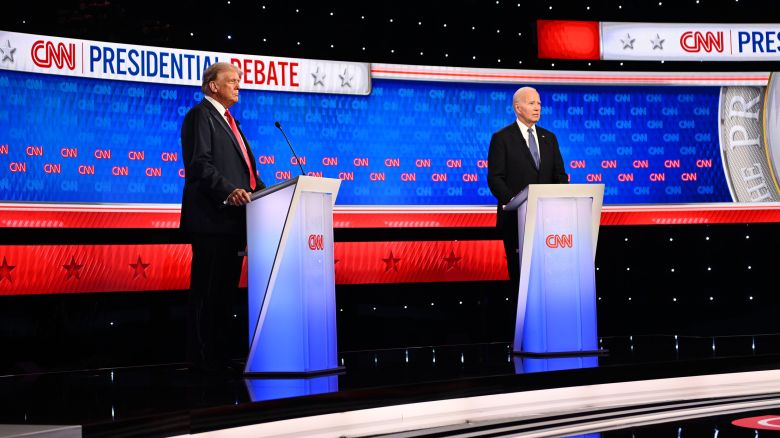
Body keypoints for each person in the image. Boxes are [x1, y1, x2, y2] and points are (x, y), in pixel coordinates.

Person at [180, 62, 266, 373]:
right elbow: (199, 165)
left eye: (238, 80)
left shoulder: (232, 123)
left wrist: (269, 194)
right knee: (207, 292)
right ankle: (202, 360)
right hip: (211, 220)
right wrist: (230, 191)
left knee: (224, 294)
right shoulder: (200, 116)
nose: (238, 85)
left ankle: (218, 356)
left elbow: (249, 174)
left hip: (234, 223)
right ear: (213, 86)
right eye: (231, 80)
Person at [487, 86, 568, 288]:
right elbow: (495, 178)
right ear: (518, 107)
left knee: (547, 280)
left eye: (539, 103)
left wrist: (558, 202)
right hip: (516, 222)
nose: (537, 107)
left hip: (548, 222)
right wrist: (517, 204)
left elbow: (560, 175)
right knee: (520, 281)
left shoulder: (549, 138)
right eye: (531, 103)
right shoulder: (502, 138)